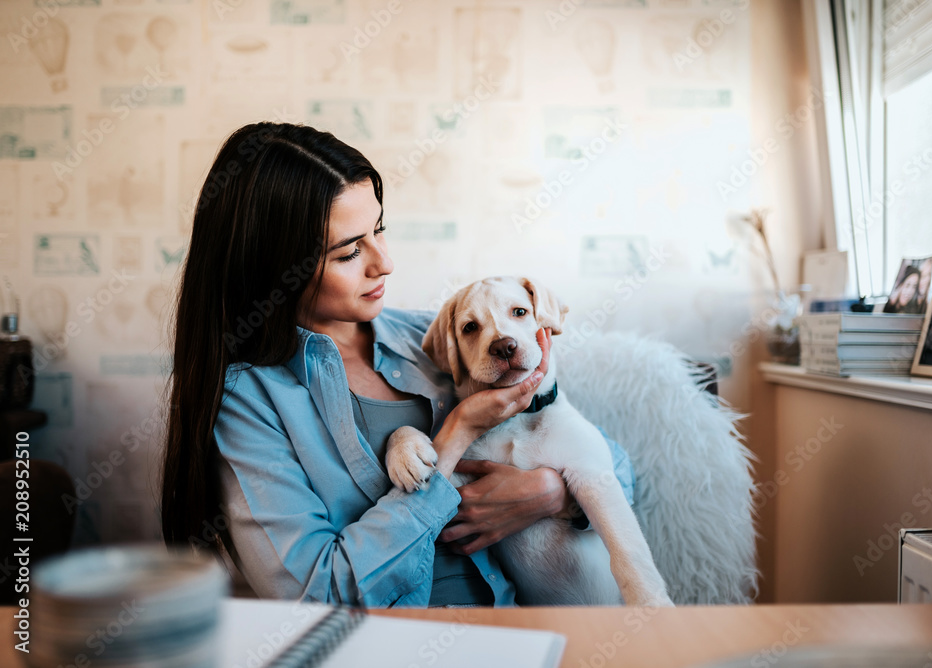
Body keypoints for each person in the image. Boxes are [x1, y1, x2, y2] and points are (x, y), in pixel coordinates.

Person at [159, 123, 635, 607]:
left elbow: (620, 469)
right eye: (349, 251)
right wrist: (455, 435)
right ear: (274, 268)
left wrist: (547, 493)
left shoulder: (444, 337)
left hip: (525, 627)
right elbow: (316, 592)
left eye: (379, 230)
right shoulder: (248, 399)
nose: (383, 263)